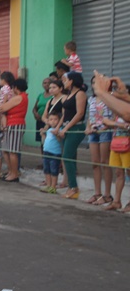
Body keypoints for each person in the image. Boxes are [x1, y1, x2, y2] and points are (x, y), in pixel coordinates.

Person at [57, 71, 88, 200]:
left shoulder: (80, 94)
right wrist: (59, 127)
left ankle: (73, 187)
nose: (64, 81)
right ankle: (71, 186)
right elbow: (66, 113)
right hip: (66, 127)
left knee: (67, 156)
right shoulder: (69, 94)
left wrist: (67, 128)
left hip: (76, 127)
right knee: (68, 156)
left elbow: (79, 114)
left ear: (72, 81)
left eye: (66, 79)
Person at [85, 76, 114, 206]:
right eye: (93, 83)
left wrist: (106, 126)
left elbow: (115, 115)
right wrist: (88, 128)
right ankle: (97, 193)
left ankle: (107, 195)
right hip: (93, 132)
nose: (95, 85)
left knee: (105, 162)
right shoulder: (91, 99)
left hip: (105, 132)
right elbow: (90, 117)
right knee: (95, 163)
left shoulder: (110, 98)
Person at [0, 77, 29, 182]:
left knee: (13, 151)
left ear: (16, 87)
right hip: (10, 124)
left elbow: (2, 108)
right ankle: (11, 171)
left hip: (15, 124)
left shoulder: (19, 97)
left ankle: (14, 173)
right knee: (6, 149)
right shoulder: (19, 97)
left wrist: (4, 102)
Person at [39, 112, 64, 195]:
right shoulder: (49, 130)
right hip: (46, 152)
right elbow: (44, 141)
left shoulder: (59, 130)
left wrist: (57, 134)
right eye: (51, 119)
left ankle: (53, 186)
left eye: (55, 119)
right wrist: (42, 134)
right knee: (46, 169)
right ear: (48, 121)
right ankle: (48, 185)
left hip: (55, 153)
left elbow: (60, 141)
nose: (53, 121)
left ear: (59, 121)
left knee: (54, 170)